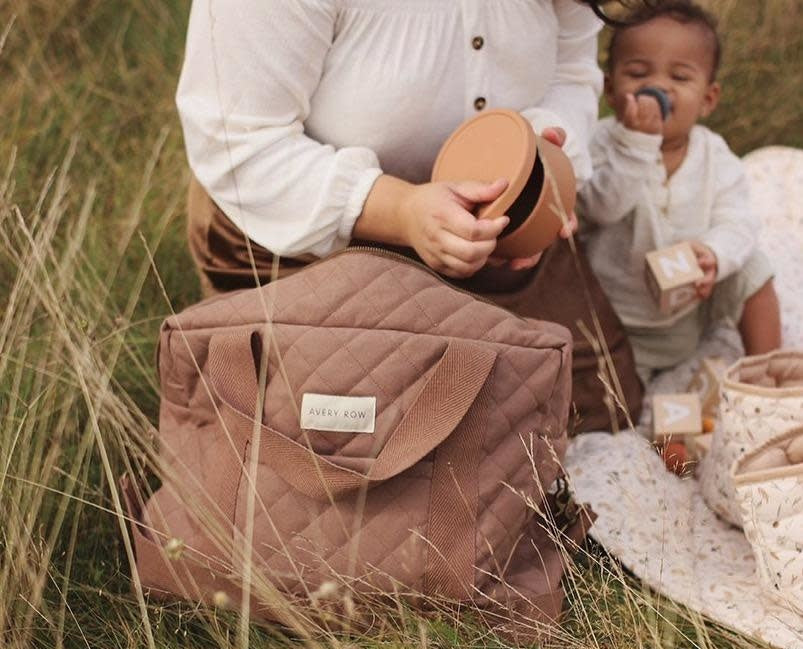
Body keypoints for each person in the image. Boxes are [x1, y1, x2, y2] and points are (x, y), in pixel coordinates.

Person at [176, 1, 622, 287]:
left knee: (598, 411)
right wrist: (404, 211)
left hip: (495, 247)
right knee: (386, 423)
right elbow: (239, 140)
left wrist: (535, 184)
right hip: (301, 245)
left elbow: (571, 73)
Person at [577, 1, 781, 383]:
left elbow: (738, 222)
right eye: (638, 73)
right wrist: (637, 144)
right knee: (612, 398)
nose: (659, 87)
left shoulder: (714, 155)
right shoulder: (601, 143)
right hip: (615, 323)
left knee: (753, 266)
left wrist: (714, 255)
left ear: (708, 99)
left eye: (680, 78)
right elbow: (600, 209)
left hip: (689, 312)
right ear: (609, 88)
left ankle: (767, 371)